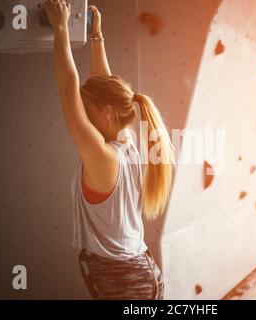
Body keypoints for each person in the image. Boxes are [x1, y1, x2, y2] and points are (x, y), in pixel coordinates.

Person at [43, 1, 174, 299]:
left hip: (128, 281)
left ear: (106, 113)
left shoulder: (103, 156)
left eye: (88, 110)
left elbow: (68, 91)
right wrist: (96, 36)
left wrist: (61, 29)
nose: (83, 116)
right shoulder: (125, 141)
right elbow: (105, 87)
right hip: (136, 273)